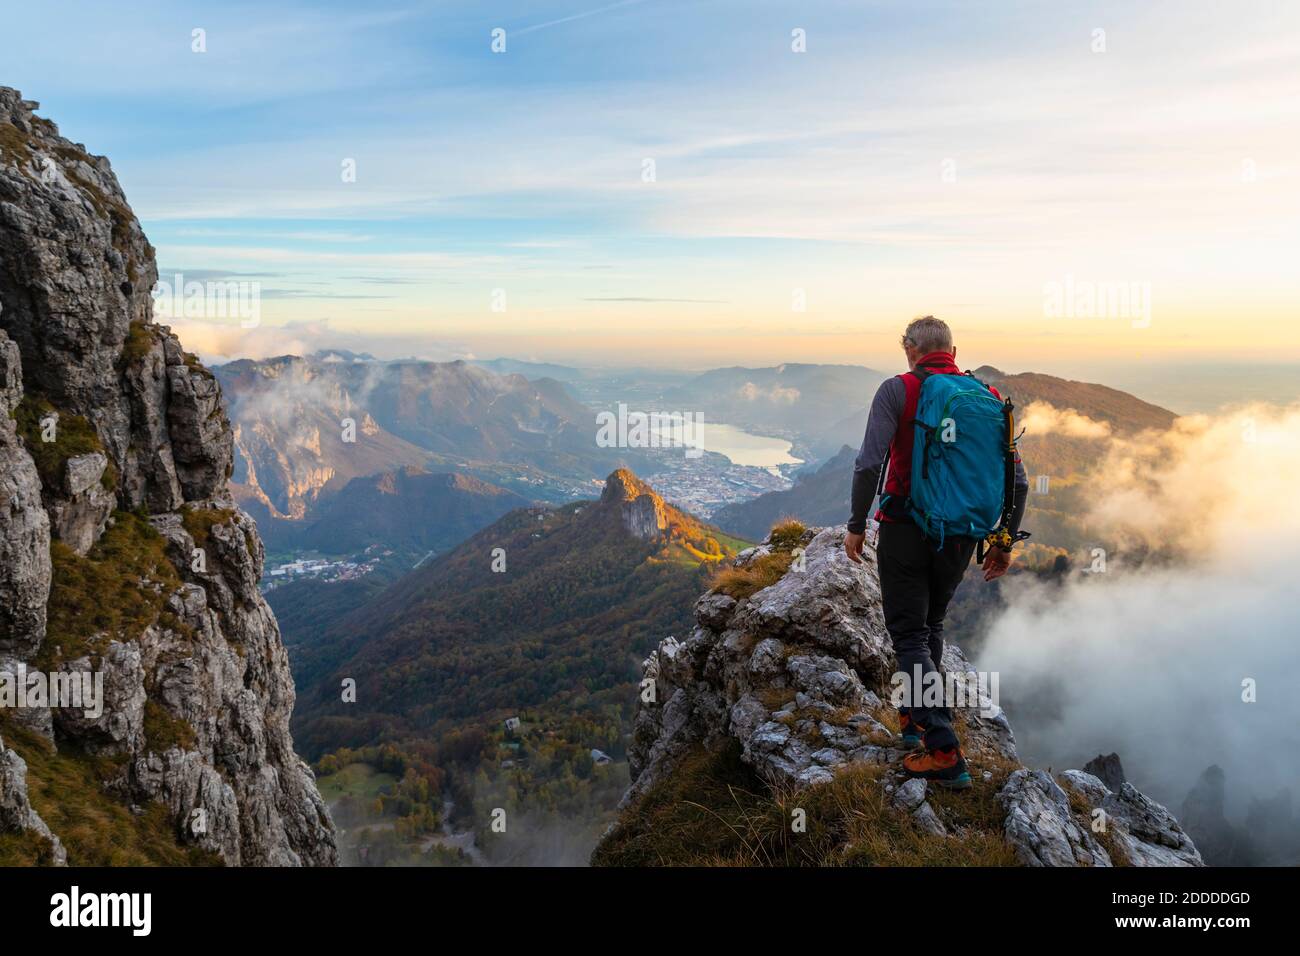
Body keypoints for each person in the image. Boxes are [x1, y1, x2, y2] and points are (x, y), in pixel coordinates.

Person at [844, 316, 1028, 789]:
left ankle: (943, 747)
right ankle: (913, 721)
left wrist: (856, 525)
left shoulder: (897, 390)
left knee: (907, 635)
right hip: (961, 535)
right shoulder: (986, 399)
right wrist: (1002, 542)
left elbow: (869, 464)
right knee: (931, 626)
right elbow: (1019, 480)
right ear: (953, 349)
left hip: (906, 527)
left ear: (909, 348)